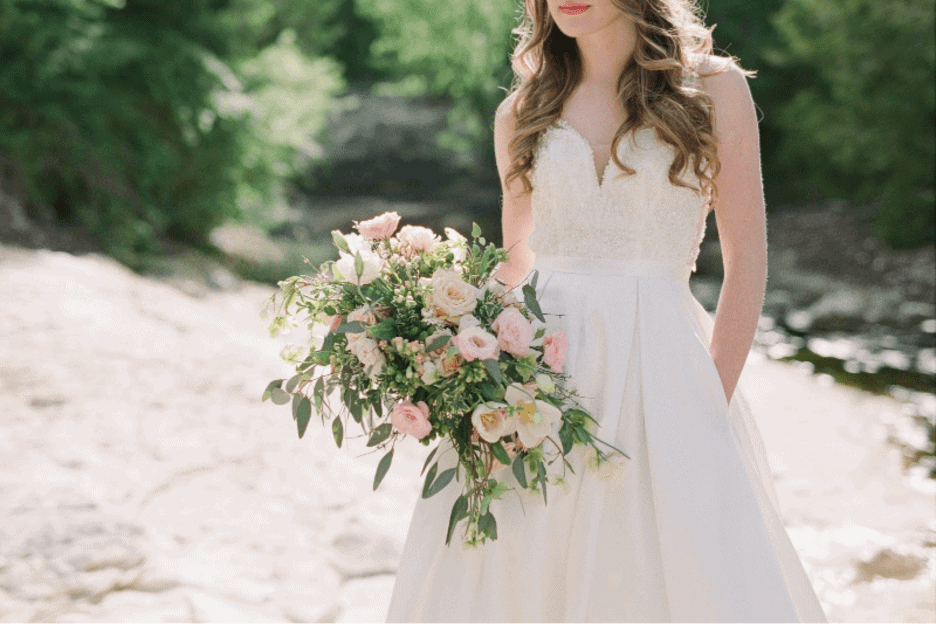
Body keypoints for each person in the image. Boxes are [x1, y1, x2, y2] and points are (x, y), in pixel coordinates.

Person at [386, 0, 829, 621]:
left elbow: (746, 262)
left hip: (664, 373)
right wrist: (423, 328)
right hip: (539, 384)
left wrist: (711, 398)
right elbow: (516, 267)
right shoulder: (521, 111)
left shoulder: (711, 88)